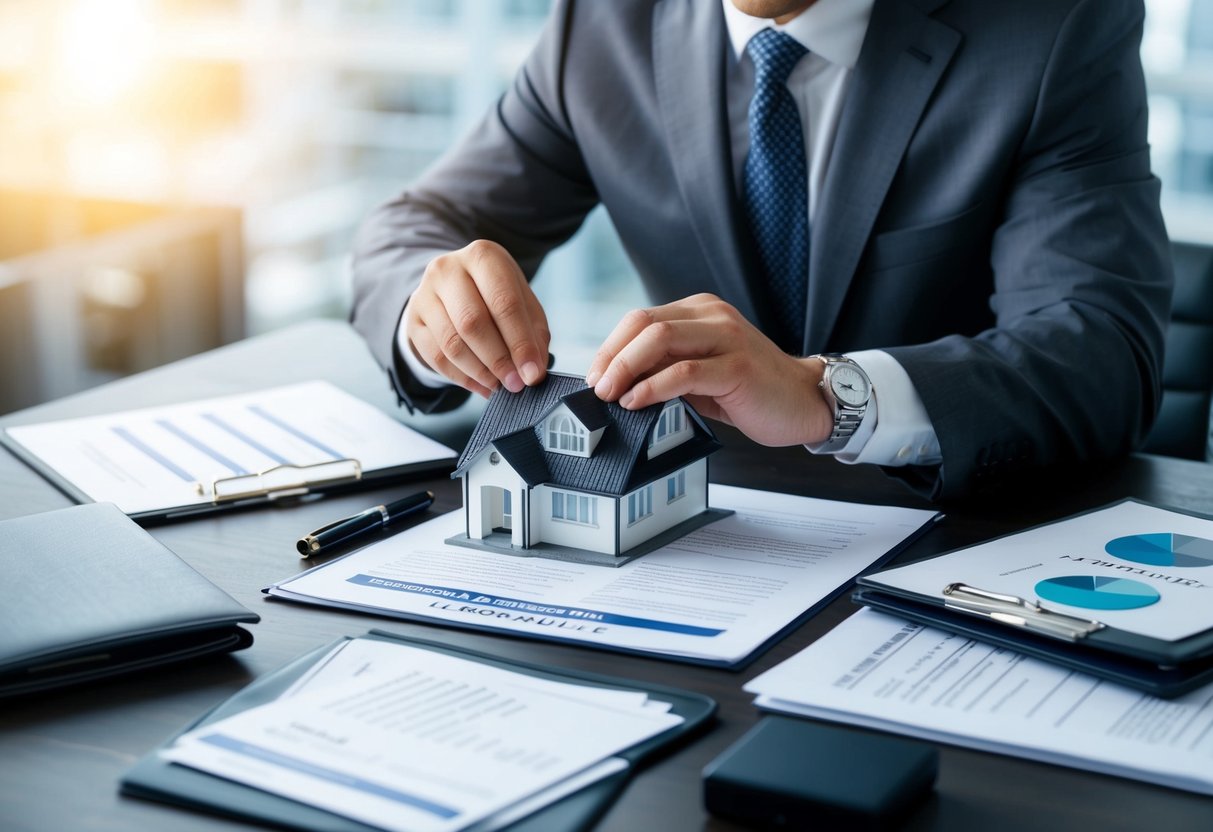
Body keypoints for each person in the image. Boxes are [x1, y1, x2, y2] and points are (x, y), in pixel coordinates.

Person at [350, 0, 1173, 500]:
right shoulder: (602, 22)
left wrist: (825, 394)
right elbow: (417, 225)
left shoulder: (1051, 24)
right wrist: (433, 312)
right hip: (703, 536)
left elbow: (1101, 351)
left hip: (952, 544)